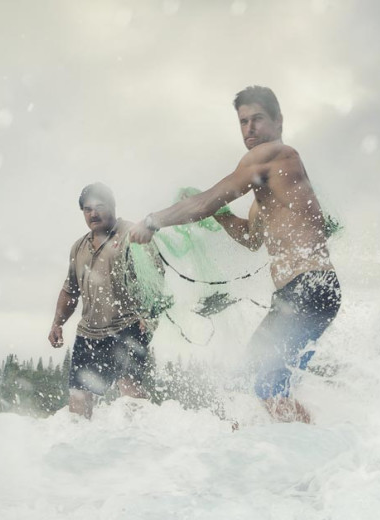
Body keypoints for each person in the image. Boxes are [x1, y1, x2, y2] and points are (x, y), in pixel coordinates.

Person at [128, 86, 341, 423]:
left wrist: (154, 221)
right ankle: (290, 450)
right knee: (250, 383)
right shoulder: (265, 193)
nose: (249, 129)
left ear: (278, 120)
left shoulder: (274, 154)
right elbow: (252, 238)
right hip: (301, 292)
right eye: (243, 122)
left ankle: (315, 452)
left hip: (309, 286)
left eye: (257, 119)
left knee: (266, 387)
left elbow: (207, 200)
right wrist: (220, 215)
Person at [48, 182, 164, 419]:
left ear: (112, 206)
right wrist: (57, 323)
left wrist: (150, 317)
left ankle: (144, 445)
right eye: (88, 209)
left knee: (131, 393)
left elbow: (157, 279)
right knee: (78, 400)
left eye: (100, 206)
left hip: (128, 326)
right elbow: (70, 291)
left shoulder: (133, 235)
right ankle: (80, 450)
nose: (94, 213)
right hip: (89, 333)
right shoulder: (79, 248)